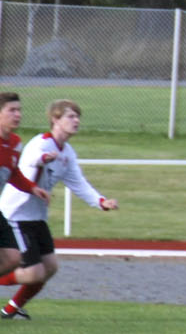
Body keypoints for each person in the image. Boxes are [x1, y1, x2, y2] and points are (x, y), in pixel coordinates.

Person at [0, 99, 117, 319]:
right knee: (33, 272)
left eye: (77, 116)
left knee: (50, 268)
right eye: (70, 116)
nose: (76, 121)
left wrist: (100, 201)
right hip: (17, 215)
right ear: (55, 119)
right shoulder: (41, 143)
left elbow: (78, 182)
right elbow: (28, 162)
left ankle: (10, 309)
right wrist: (42, 159)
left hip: (37, 217)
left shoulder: (68, 153)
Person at [0, 93, 52, 283]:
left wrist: (32, 188)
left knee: (12, 258)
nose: (17, 115)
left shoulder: (14, 143)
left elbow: (12, 173)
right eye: (11, 110)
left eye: (19, 110)